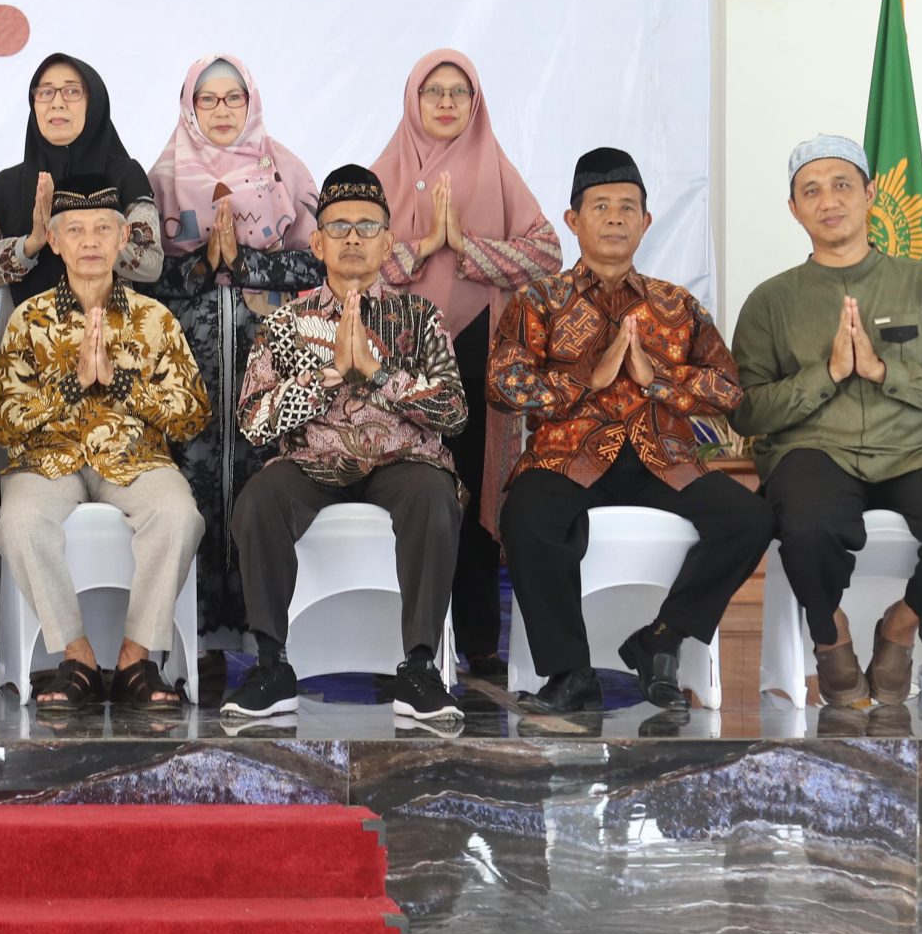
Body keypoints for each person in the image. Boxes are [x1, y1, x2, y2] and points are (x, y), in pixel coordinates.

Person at [489, 149, 774, 714]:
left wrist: (657, 378)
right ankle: (570, 673)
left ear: (646, 222)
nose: (615, 217)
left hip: (662, 458)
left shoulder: (677, 305)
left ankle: (661, 640)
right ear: (573, 220)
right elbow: (503, 385)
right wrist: (587, 379)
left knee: (751, 518)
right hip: (567, 457)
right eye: (600, 206)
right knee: (525, 515)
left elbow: (728, 392)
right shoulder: (538, 301)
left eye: (627, 207)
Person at [732, 135, 922, 704]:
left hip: (915, 451)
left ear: (870, 194)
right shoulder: (770, 301)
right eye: (811, 191)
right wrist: (828, 374)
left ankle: (901, 627)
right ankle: (830, 635)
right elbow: (747, 409)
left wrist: (884, 371)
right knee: (806, 527)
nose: (828, 200)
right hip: (814, 451)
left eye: (842, 185)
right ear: (794, 209)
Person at [224, 165, 466, 724]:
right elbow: (254, 421)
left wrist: (378, 374)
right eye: (338, 227)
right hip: (313, 461)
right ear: (316, 243)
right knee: (258, 500)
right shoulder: (286, 323)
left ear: (388, 242)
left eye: (367, 227)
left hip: (402, 460)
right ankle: (271, 665)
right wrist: (327, 377)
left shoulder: (419, 317)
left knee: (435, 495)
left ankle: (420, 669)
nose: (352, 238)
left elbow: (454, 412)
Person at [0, 52, 162, 659]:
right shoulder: (9, 185)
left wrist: (90, 235)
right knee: (26, 501)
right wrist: (33, 240)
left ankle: (130, 650)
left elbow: (151, 262)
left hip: (120, 353)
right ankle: (39, 652)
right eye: (45, 92)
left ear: (93, 102)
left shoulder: (127, 175)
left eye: (71, 91)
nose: (56, 103)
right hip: (32, 360)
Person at [372, 50, 560, 680]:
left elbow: (546, 253)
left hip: (480, 350)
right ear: (413, 100)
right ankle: (411, 644)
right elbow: (355, 263)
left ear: (475, 103)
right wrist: (427, 247)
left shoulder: (495, 168)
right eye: (435, 92)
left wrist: (467, 248)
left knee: (477, 492)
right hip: (401, 357)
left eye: (460, 92)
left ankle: (479, 642)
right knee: (417, 492)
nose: (447, 103)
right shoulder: (382, 174)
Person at [0, 184, 209, 706]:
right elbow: (0, 421)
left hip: (136, 458)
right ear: (55, 242)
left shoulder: (155, 319)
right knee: (19, 521)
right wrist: (70, 387)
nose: (90, 241)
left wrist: (123, 384)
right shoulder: (28, 319)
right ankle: (76, 655)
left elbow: (192, 414)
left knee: (179, 515)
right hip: (47, 462)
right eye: (76, 231)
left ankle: (136, 658)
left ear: (123, 239)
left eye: (103, 229)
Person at [146, 54, 324, 691]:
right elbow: (141, 275)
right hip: (186, 369)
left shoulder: (286, 172)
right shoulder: (161, 179)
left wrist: (245, 263)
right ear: (189, 107)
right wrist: (202, 267)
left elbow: (320, 263)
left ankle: (266, 642)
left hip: (266, 367)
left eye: (233, 99)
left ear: (251, 103)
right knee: (188, 494)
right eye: (208, 100)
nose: (221, 111)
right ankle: (190, 643)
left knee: (258, 489)